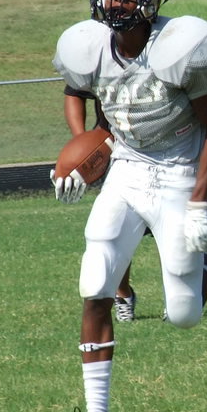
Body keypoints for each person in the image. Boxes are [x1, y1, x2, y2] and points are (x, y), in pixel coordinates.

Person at [50, 0, 207, 412]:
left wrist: (202, 201)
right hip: (127, 170)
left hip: (180, 170)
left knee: (183, 314)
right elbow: (75, 89)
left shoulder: (180, 46)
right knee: (95, 282)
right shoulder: (87, 46)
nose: (117, 0)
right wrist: (87, 146)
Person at [62, 92, 140, 323]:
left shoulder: (162, 57)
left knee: (173, 230)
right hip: (119, 151)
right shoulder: (103, 56)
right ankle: (123, 294)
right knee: (114, 231)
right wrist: (84, 147)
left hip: (167, 151)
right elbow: (74, 92)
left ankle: (178, 300)